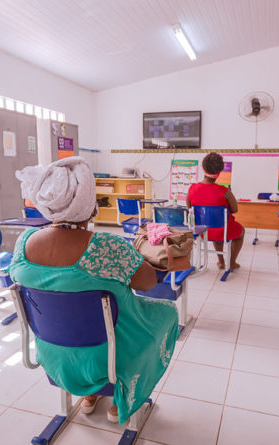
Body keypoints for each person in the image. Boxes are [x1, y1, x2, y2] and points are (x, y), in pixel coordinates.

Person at [11, 157, 178, 425]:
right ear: (91, 206)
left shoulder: (24, 243)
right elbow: (147, 283)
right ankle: (124, 397)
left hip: (53, 352)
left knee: (81, 321)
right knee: (167, 313)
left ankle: (89, 395)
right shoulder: (108, 246)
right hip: (110, 355)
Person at [186, 153, 245, 270]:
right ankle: (231, 262)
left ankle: (221, 261)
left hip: (201, 231)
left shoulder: (192, 188)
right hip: (222, 231)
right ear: (220, 171)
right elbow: (234, 210)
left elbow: (189, 207)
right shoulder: (225, 191)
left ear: (203, 168)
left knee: (213, 226)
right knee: (241, 231)